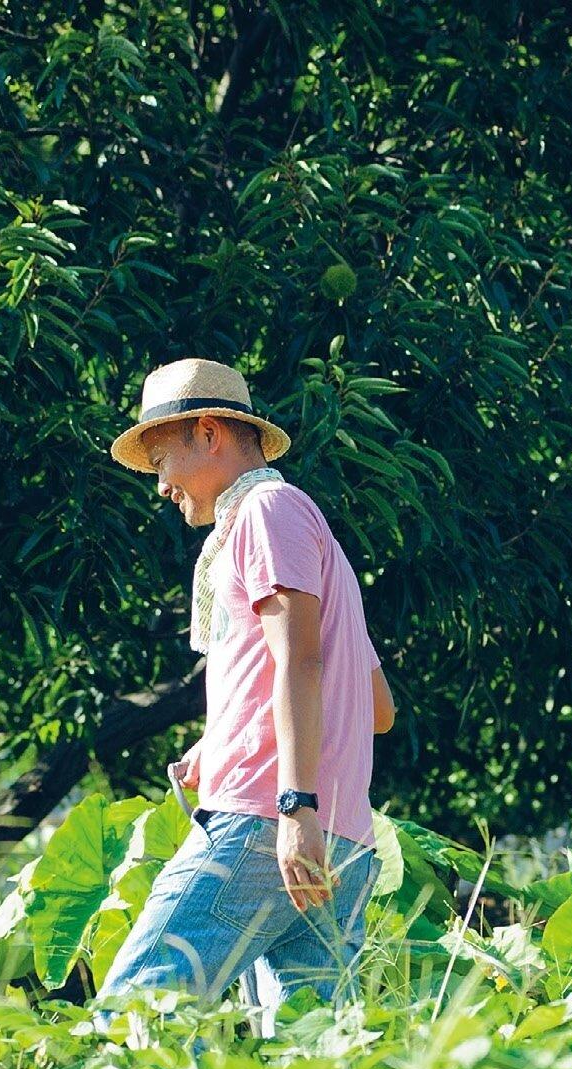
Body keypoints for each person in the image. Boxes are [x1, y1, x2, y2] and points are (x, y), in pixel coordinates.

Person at [97, 357, 392, 1006]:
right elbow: (374, 706)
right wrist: (222, 742)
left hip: (268, 820)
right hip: (342, 837)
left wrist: (294, 805)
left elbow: (300, 661)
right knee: (310, 1059)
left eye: (160, 460)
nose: (160, 485)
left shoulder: (265, 510)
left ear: (208, 433)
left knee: (140, 1004)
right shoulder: (316, 538)